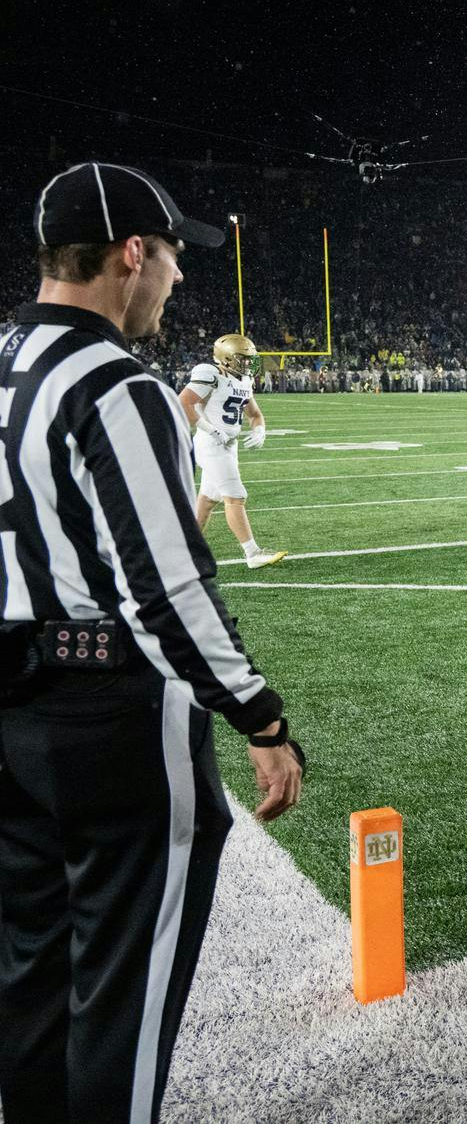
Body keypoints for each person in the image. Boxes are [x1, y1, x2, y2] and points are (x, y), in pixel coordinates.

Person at [1, 161, 303, 1123]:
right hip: (108, 714)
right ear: (134, 253)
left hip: (9, 707)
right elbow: (167, 591)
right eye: (173, 258)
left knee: (32, 967)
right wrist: (260, 716)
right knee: (124, 990)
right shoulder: (113, 383)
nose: (177, 281)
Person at [180, 333, 287, 568]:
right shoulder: (211, 374)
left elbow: (254, 414)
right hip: (211, 444)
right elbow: (184, 402)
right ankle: (252, 553)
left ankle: (184, 550)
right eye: (243, 359)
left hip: (228, 445)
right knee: (236, 497)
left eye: (250, 359)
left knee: (208, 500)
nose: (249, 363)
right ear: (227, 358)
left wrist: (260, 430)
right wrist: (209, 429)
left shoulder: (243, 380)